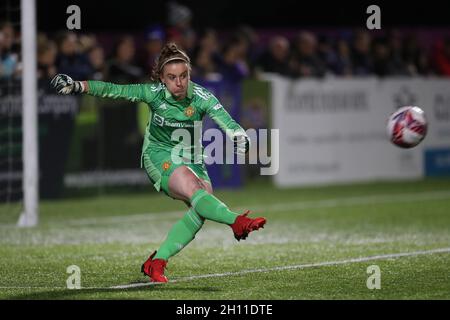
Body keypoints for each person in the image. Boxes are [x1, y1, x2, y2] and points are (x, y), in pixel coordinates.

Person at [50, 42, 267, 283]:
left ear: (189, 75)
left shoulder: (202, 96)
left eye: (184, 76)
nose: (179, 82)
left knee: (202, 204)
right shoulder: (152, 93)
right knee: (196, 191)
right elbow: (114, 89)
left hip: (193, 158)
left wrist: (240, 137)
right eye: (172, 77)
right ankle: (237, 221)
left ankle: (157, 261)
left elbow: (227, 122)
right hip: (158, 155)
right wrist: (78, 85)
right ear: (162, 79)